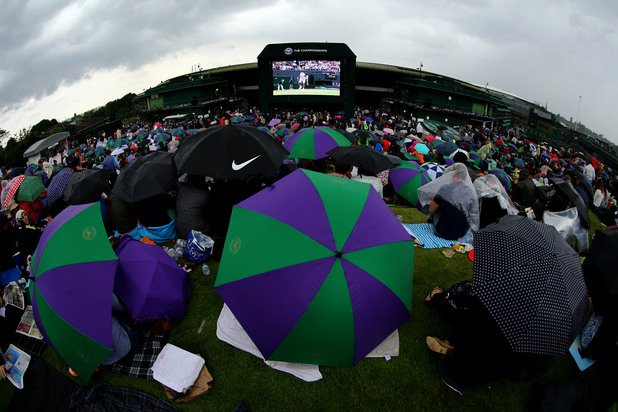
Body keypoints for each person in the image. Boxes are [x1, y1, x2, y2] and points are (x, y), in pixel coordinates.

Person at [418, 163, 480, 240]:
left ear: (453, 174)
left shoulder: (445, 188)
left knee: (437, 206)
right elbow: (472, 214)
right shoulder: (470, 192)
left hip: (442, 231)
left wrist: (436, 197)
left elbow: (431, 209)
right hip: (461, 233)